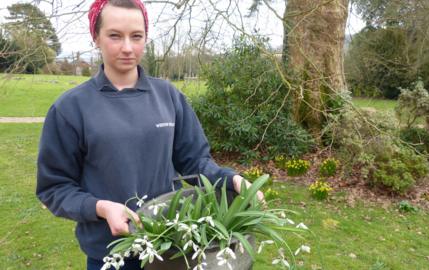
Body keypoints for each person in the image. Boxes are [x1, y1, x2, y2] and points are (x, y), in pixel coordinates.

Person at [36, 1, 263, 269]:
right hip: (111, 255)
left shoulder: (168, 97)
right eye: (114, 35)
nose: (128, 48)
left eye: (136, 36)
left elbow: (195, 162)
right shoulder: (70, 108)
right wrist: (101, 208)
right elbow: (55, 187)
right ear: (95, 37)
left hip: (172, 249)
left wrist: (232, 180)